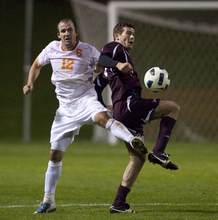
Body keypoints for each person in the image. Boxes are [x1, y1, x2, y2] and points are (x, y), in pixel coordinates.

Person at [23, 19, 147, 214]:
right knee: (54, 155)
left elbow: (103, 63)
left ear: (75, 32)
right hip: (64, 110)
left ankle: (132, 139)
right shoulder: (52, 49)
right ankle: (48, 201)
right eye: (63, 31)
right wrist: (30, 82)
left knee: (102, 119)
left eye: (69, 30)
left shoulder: (87, 50)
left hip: (86, 99)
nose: (66, 33)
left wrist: (107, 67)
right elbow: (37, 64)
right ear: (59, 35)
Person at [94, 22, 180, 213]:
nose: (132, 37)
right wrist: (117, 63)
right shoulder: (115, 48)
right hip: (129, 105)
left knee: (138, 159)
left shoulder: (111, 68)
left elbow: (97, 87)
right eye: (128, 33)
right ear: (117, 36)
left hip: (123, 110)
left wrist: (106, 106)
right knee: (173, 108)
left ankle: (118, 203)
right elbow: (103, 57)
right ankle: (159, 151)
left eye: (133, 34)